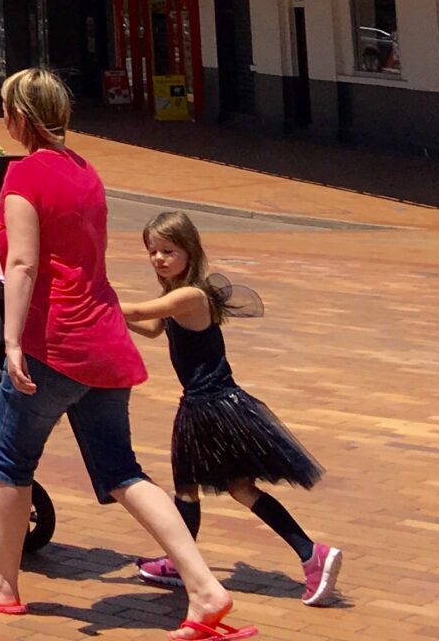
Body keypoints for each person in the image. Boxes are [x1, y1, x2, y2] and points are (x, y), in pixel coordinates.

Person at [0, 69, 249, 639]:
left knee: (10, 463)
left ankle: (1, 583)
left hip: (53, 342)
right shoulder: (85, 171)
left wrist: (12, 342)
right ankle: (205, 588)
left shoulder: (23, 175)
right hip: (104, 340)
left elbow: (23, 264)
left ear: (21, 117)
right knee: (121, 471)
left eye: (6, 108)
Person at [123, 212, 341, 607]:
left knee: (202, 489)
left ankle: (308, 553)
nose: (158, 258)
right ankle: (308, 554)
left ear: (190, 251)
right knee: (216, 488)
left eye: (168, 251)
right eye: (152, 251)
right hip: (209, 404)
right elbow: (151, 327)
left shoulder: (190, 295)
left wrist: (92, 300)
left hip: (210, 406)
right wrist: (109, 317)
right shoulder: (178, 296)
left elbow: (138, 313)